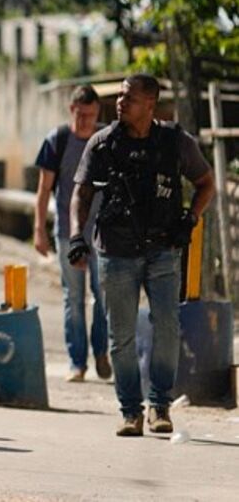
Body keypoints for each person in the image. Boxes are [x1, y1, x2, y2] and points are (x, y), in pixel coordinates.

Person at [70, 73, 215, 437]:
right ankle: (130, 411)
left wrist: (190, 219)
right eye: (120, 96)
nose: (120, 103)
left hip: (163, 251)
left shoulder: (175, 142)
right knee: (121, 336)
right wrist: (76, 234)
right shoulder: (103, 143)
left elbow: (206, 183)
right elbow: (82, 193)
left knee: (167, 327)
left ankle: (160, 405)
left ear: (150, 105)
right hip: (115, 253)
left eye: (129, 98)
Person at [33, 84, 111, 383]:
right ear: (71, 110)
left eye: (90, 116)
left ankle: (101, 352)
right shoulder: (58, 141)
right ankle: (77, 362)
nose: (85, 122)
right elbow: (43, 190)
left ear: (97, 114)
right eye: (80, 115)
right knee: (73, 299)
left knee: (103, 298)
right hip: (68, 233)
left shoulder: (107, 139)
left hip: (103, 235)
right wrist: (39, 230)